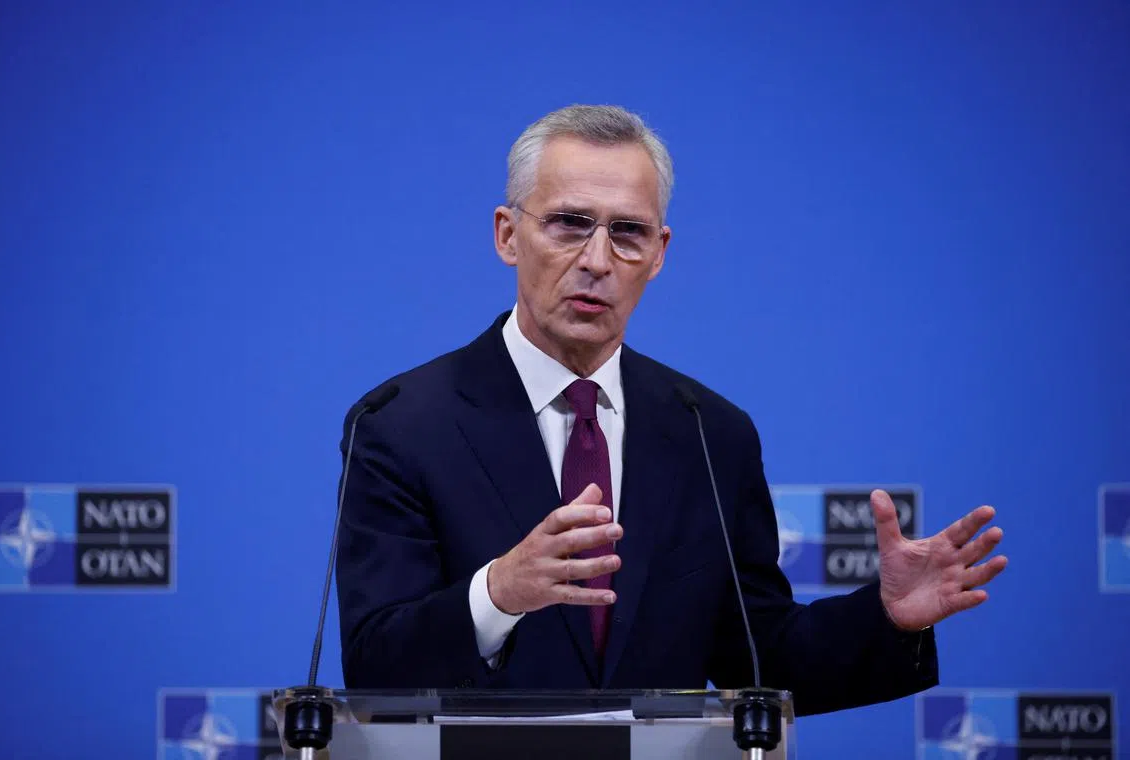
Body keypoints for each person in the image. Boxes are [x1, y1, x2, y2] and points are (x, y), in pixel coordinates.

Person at [334, 104, 1007, 716]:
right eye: (570, 223)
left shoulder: (709, 433)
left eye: (628, 232)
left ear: (658, 254)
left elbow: (760, 657)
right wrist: (498, 592)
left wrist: (888, 616)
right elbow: (375, 666)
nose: (597, 260)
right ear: (508, 235)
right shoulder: (400, 424)